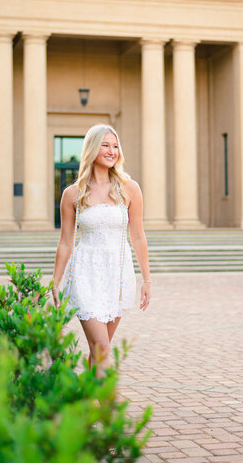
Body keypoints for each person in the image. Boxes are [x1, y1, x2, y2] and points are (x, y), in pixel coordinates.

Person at [51, 124, 151, 376]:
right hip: (85, 275)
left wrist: (146, 279)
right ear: (92, 148)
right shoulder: (72, 194)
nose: (111, 151)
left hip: (117, 276)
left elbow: (138, 237)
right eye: (105, 145)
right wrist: (55, 280)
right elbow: (65, 241)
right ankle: (104, 407)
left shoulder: (130, 189)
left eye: (115, 146)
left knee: (98, 351)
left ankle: (84, 397)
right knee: (102, 346)